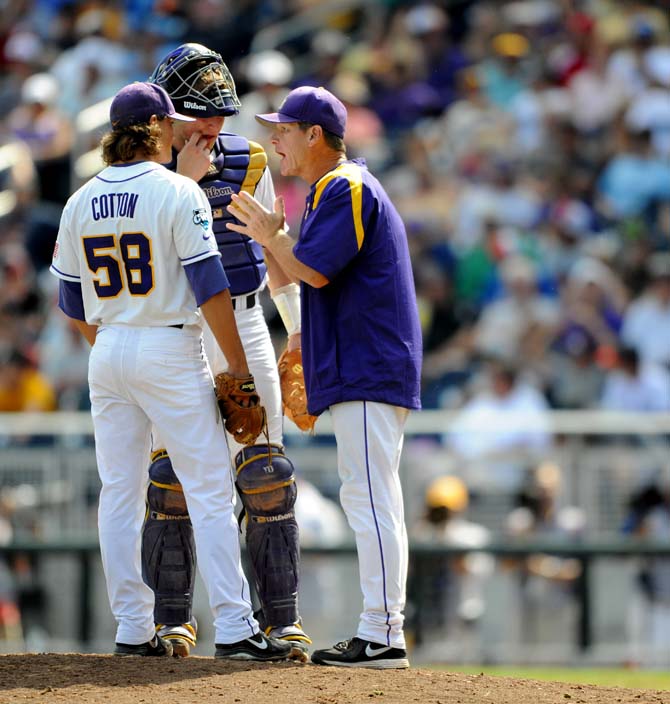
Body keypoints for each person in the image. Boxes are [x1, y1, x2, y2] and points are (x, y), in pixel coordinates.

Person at [48, 80, 291, 661]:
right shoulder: (178, 191)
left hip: (108, 350)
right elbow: (211, 288)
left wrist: (108, 342)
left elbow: (68, 300)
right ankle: (234, 628)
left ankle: (133, 628)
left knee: (119, 494)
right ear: (157, 127)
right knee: (209, 489)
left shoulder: (79, 199)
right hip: (169, 345)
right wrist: (237, 365)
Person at [227, 85, 423, 668]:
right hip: (360, 362)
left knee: (370, 497)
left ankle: (383, 632)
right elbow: (298, 271)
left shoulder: (345, 186)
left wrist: (270, 236)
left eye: (283, 129)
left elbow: (310, 270)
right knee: (368, 494)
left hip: (370, 364)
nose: (274, 139)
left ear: (315, 135)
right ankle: (381, 628)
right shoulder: (328, 190)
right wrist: (294, 325)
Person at [140, 43, 310, 659]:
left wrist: (298, 331)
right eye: (196, 113)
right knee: (171, 479)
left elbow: (272, 247)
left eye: (219, 113)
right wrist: (178, 183)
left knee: (266, 474)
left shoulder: (250, 158)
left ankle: (280, 620)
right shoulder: (139, 167)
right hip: (176, 331)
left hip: (243, 318)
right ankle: (172, 622)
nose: (211, 126)